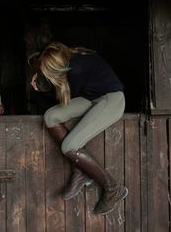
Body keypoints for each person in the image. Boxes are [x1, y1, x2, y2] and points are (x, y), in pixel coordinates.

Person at [31, 41, 128, 215]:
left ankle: (113, 189)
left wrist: (42, 89)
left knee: (69, 146)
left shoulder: (76, 68)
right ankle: (81, 170)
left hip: (111, 99)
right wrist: (42, 86)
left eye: (49, 73)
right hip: (90, 97)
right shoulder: (69, 59)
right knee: (50, 117)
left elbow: (64, 96)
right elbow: (65, 99)